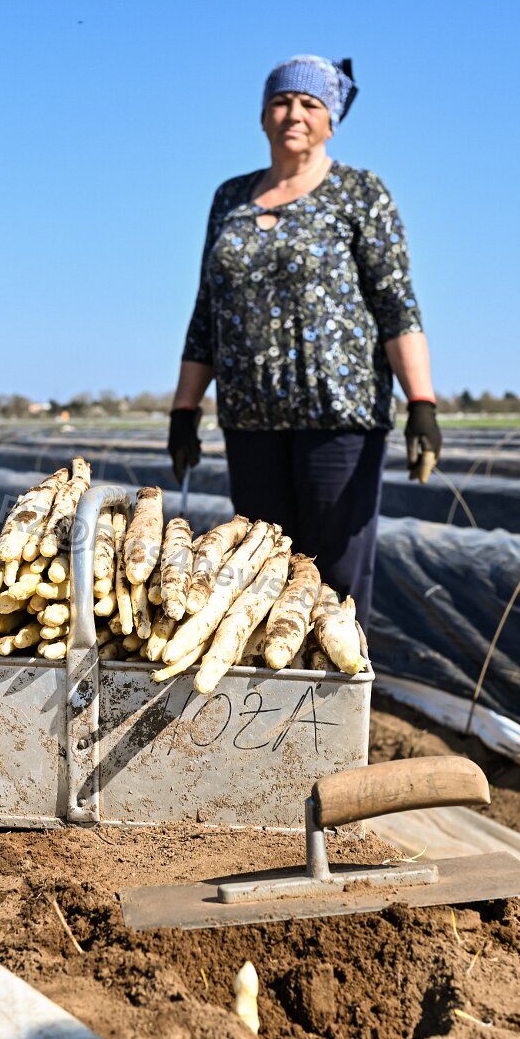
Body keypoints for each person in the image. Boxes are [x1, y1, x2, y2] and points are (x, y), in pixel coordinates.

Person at [167, 54, 440, 624]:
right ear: (262, 117)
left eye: (309, 104)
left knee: (333, 582)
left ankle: (339, 683)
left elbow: (395, 304)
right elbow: (206, 312)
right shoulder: (230, 199)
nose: (294, 114)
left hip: (338, 420)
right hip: (249, 422)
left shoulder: (360, 192)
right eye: (281, 102)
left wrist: (422, 404)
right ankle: (267, 685)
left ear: (331, 121)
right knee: (259, 576)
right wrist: (184, 411)